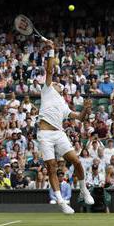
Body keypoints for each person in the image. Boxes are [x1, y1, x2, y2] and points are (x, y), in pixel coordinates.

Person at [36, 40, 94, 214]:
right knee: (52, 167)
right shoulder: (47, 90)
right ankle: (60, 201)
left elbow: (79, 118)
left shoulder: (63, 104)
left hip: (59, 134)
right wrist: (52, 50)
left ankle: (84, 190)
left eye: (57, 83)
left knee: (76, 161)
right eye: (54, 82)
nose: (55, 83)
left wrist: (86, 109)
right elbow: (49, 69)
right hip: (45, 134)